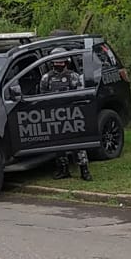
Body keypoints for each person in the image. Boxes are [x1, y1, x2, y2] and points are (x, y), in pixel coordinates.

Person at [39, 51, 91, 181]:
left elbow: (81, 95)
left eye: (61, 63)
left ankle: (84, 170)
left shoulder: (74, 77)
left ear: (66, 63)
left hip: (72, 115)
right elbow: (42, 97)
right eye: (56, 63)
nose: (59, 65)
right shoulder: (46, 78)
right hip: (55, 116)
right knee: (59, 145)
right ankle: (63, 169)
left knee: (79, 144)